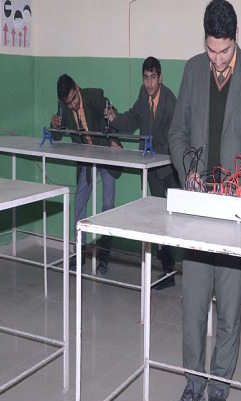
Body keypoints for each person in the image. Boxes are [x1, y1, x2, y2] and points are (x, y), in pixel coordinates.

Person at [168, 0, 241, 401]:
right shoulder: (192, 71)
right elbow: (177, 132)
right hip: (199, 209)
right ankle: (193, 383)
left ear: (236, 38)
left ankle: (218, 390)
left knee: (230, 311)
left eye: (224, 52)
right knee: (193, 306)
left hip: (234, 212)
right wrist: (188, 168)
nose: (217, 61)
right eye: (211, 51)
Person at [105, 57, 179, 290]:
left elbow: (174, 138)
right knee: (158, 219)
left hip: (170, 168)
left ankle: (183, 269)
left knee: (176, 219)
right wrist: (115, 118)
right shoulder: (143, 94)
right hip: (152, 168)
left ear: (160, 77)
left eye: (153, 78)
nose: (149, 83)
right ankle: (168, 271)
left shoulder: (170, 101)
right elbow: (133, 119)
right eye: (146, 78)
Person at [50, 74, 121, 275]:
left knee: (108, 205)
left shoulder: (95, 96)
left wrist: (113, 140)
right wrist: (54, 126)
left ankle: (104, 256)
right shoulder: (64, 106)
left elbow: (113, 118)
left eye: (74, 99)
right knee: (79, 200)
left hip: (106, 154)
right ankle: (79, 251)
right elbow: (56, 136)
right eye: (68, 103)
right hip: (87, 158)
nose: (72, 105)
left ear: (77, 88)